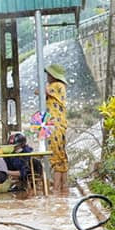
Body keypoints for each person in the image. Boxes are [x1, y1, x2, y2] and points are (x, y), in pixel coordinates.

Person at [45, 63, 68, 195]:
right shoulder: (61, 86)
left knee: (56, 156)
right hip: (60, 124)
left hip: (55, 125)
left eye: (48, 75)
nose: (47, 77)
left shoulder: (56, 86)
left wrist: (44, 85)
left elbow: (40, 91)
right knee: (62, 156)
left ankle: (56, 188)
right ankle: (64, 187)